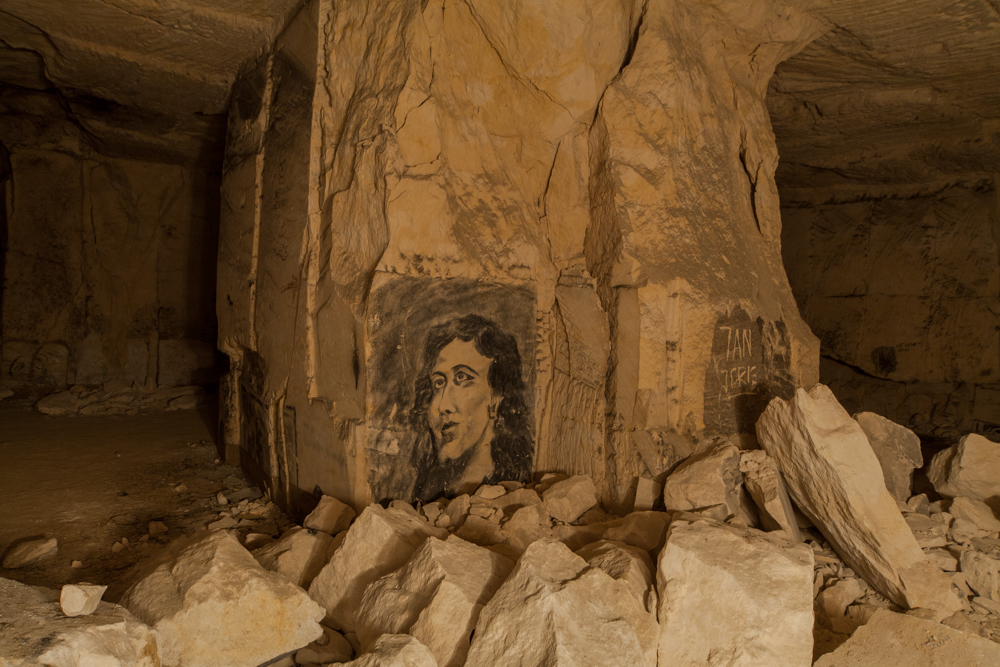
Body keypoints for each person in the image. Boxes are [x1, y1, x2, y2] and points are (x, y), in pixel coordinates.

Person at [409, 314, 533, 501]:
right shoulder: (428, 492)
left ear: (496, 399)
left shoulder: (510, 496)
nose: (442, 405)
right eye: (438, 383)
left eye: (462, 378)